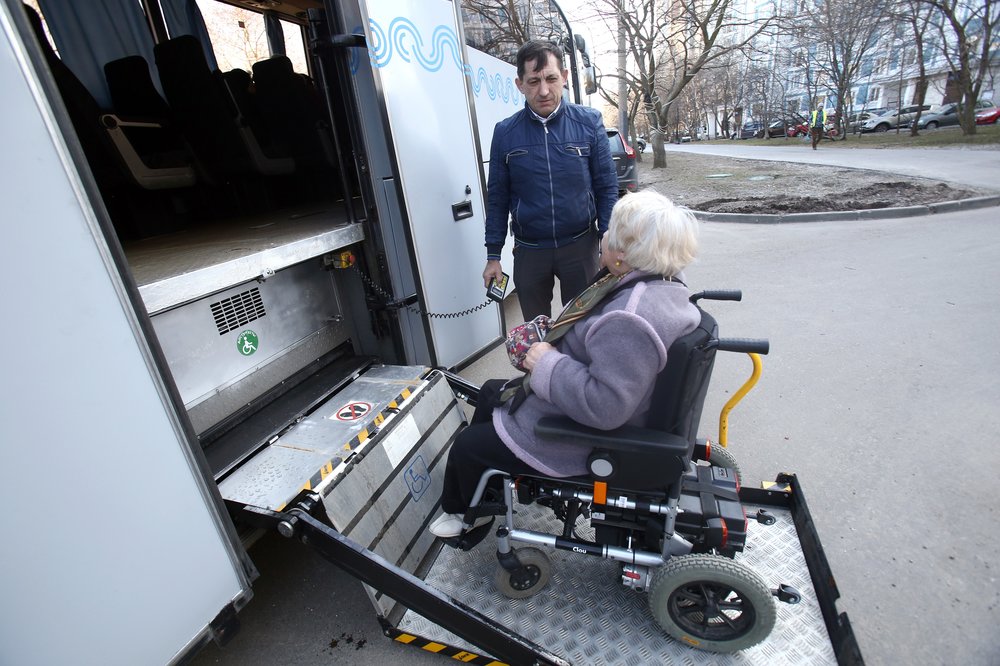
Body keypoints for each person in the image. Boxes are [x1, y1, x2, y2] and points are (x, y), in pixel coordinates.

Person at [430, 191, 701, 538]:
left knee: (470, 447)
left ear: (621, 255)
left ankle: (465, 514)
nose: (602, 236)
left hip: (580, 436)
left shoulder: (628, 319)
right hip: (572, 406)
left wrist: (547, 362)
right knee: (489, 392)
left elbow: (605, 407)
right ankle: (490, 487)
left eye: (609, 231)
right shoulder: (658, 286)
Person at [483, 40, 618, 322]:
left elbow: (606, 187)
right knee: (536, 332)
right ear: (520, 84)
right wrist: (493, 255)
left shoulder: (589, 122)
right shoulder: (505, 133)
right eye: (533, 81)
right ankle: (540, 368)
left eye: (551, 79)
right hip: (530, 252)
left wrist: (608, 238)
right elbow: (497, 198)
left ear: (565, 77)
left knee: (584, 327)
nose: (543, 90)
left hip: (580, 247)